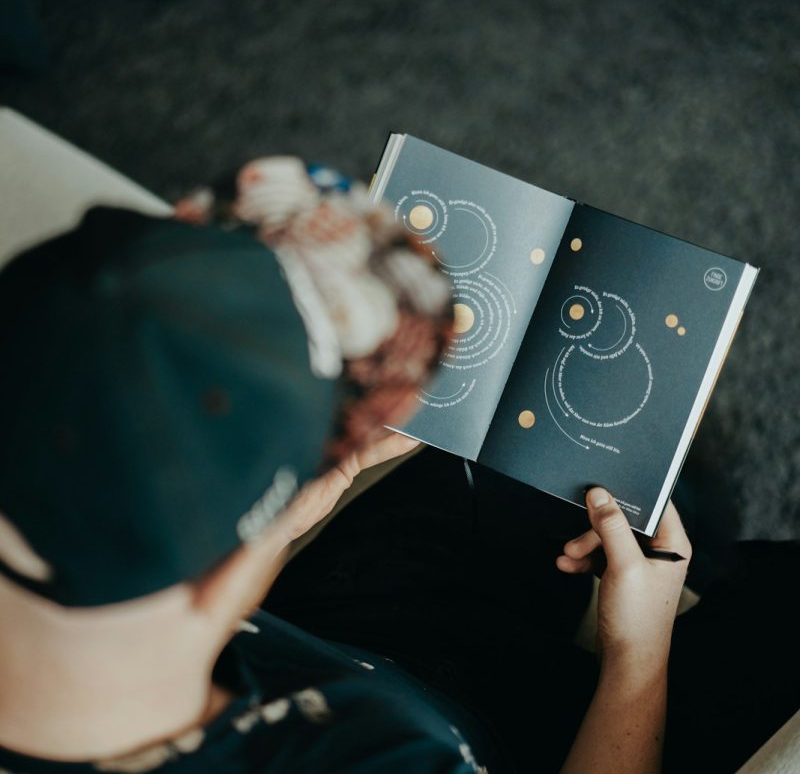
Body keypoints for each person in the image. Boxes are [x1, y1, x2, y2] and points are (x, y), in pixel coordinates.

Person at [0, 161, 796, 774]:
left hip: (330, 619)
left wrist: (308, 496)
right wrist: (638, 656)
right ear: (217, 569)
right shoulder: (388, 753)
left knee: (505, 488)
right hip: (502, 712)